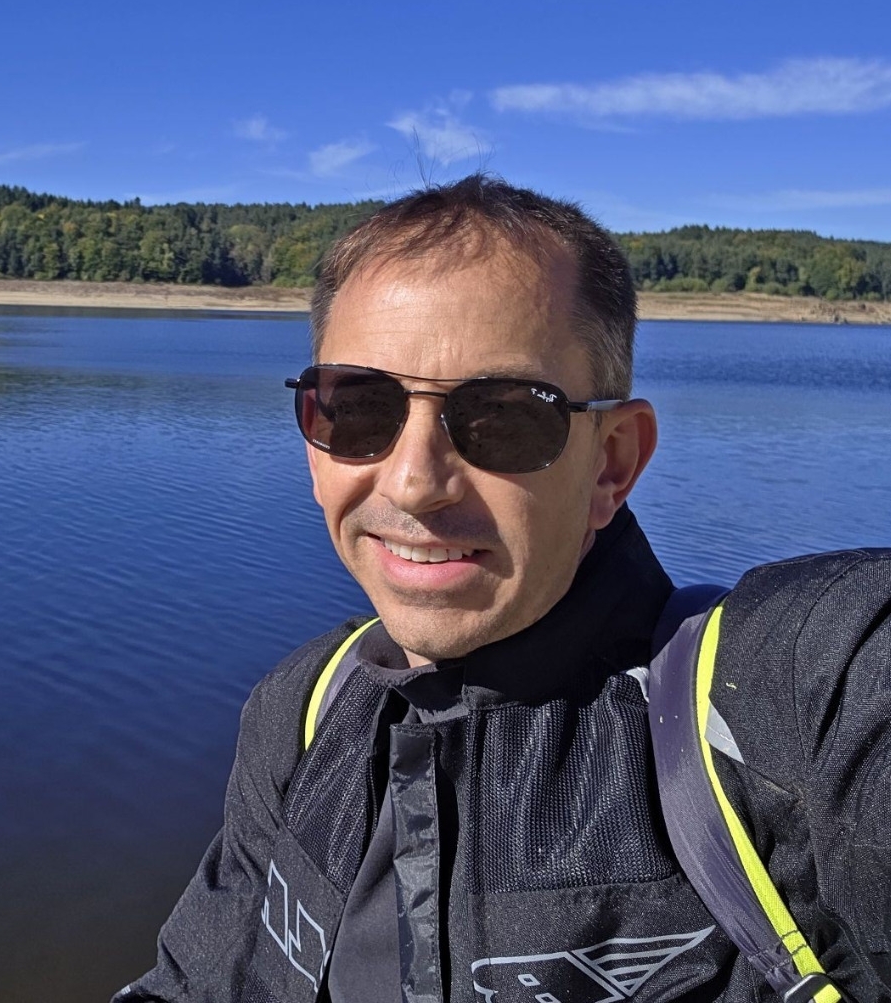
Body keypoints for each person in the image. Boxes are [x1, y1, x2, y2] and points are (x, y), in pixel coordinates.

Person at [114, 175, 890, 1002]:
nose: (414, 484)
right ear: (314, 443)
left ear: (611, 462)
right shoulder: (301, 710)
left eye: (503, 416)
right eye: (360, 409)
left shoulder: (786, 702)